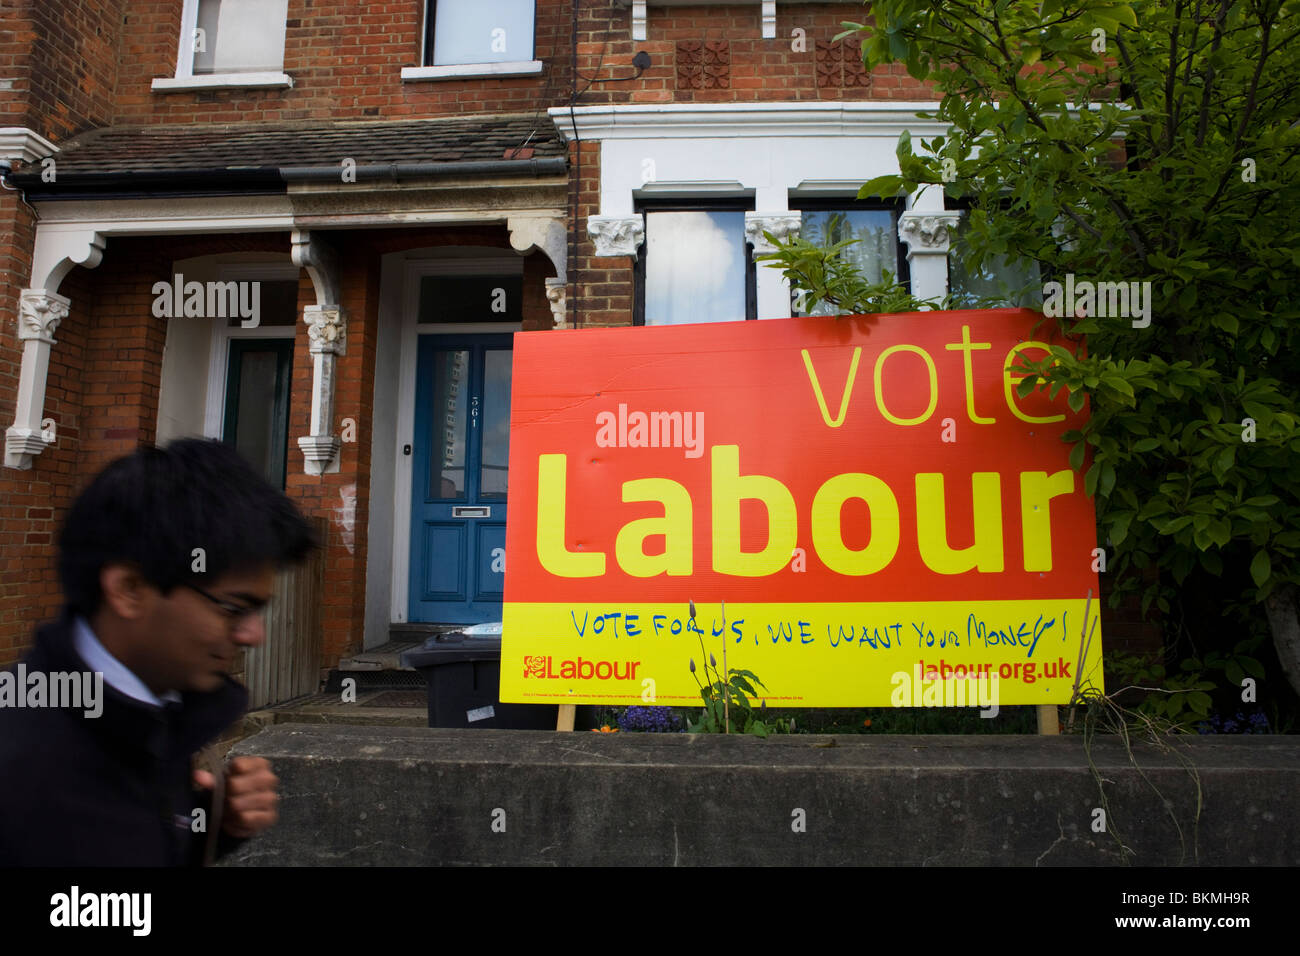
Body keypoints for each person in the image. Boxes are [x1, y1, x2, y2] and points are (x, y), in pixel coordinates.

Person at [0, 438, 317, 866]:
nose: (253, 634)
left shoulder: (147, 714)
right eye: (233, 608)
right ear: (130, 590)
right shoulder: (27, 769)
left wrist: (209, 826)